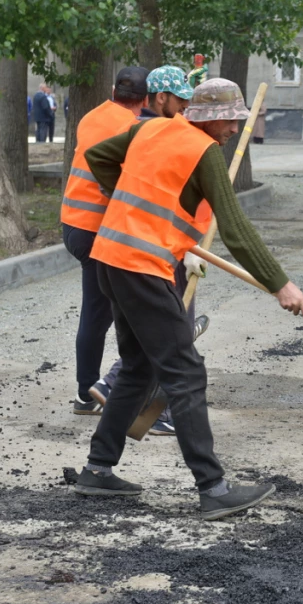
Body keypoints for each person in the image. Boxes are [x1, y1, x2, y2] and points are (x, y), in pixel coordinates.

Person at [74, 78, 303, 520]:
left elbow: (98, 156)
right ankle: (213, 488)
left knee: (139, 367)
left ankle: (98, 469)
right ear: (208, 117)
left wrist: (127, 202)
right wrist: (281, 284)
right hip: (142, 267)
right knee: (185, 372)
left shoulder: (149, 128)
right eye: (230, 120)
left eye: (239, 120)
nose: (235, 129)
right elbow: (235, 228)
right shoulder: (205, 150)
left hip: (111, 258)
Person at [88, 65, 208, 437]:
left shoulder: (149, 129)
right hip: (152, 253)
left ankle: (115, 395)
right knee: (177, 335)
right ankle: (153, 407)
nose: (185, 108)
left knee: (154, 338)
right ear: (160, 98)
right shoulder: (152, 134)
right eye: (180, 101)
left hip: (142, 250)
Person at [61, 66, 149, 415]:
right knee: (102, 314)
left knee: (100, 310)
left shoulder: (92, 117)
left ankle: (95, 390)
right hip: (97, 231)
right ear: (145, 100)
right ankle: (90, 393)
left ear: (114, 91)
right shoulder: (132, 129)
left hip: (73, 225)